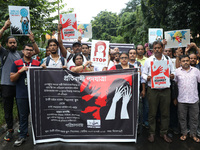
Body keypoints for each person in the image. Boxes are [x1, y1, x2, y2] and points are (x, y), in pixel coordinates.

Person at [0, 19, 40, 142]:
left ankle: (21, 129)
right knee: (8, 109)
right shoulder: (3, 52)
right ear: (6, 44)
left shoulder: (20, 54)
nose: (12, 44)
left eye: (14, 43)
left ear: (17, 45)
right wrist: (4, 28)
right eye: (10, 43)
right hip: (6, 84)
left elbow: (36, 52)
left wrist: (33, 40)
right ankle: (10, 130)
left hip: (19, 85)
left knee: (22, 109)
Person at [142, 41, 175, 143]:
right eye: (155, 48)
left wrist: (172, 75)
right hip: (153, 90)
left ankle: (163, 133)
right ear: (152, 49)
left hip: (165, 89)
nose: (157, 50)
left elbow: (173, 71)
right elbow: (143, 73)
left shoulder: (168, 59)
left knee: (165, 113)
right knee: (152, 112)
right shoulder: (149, 60)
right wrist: (146, 77)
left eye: (159, 48)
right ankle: (152, 133)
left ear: (162, 48)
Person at [10, 44, 40, 146]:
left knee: (37, 116)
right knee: (23, 117)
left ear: (33, 52)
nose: (29, 52)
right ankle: (22, 136)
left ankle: (39, 136)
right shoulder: (16, 63)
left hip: (35, 94)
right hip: (22, 94)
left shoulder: (37, 63)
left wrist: (43, 68)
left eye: (31, 50)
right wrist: (19, 71)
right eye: (27, 50)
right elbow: (12, 79)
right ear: (23, 51)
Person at [175, 55, 200, 142]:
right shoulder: (177, 72)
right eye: (183, 61)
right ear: (180, 62)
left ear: (190, 61)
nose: (185, 62)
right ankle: (184, 133)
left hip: (194, 99)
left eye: (187, 60)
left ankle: (193, 134)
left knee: (194, 118)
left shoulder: (196, 71)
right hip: (182, 99)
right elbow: (174, 84)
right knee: (182, 118)